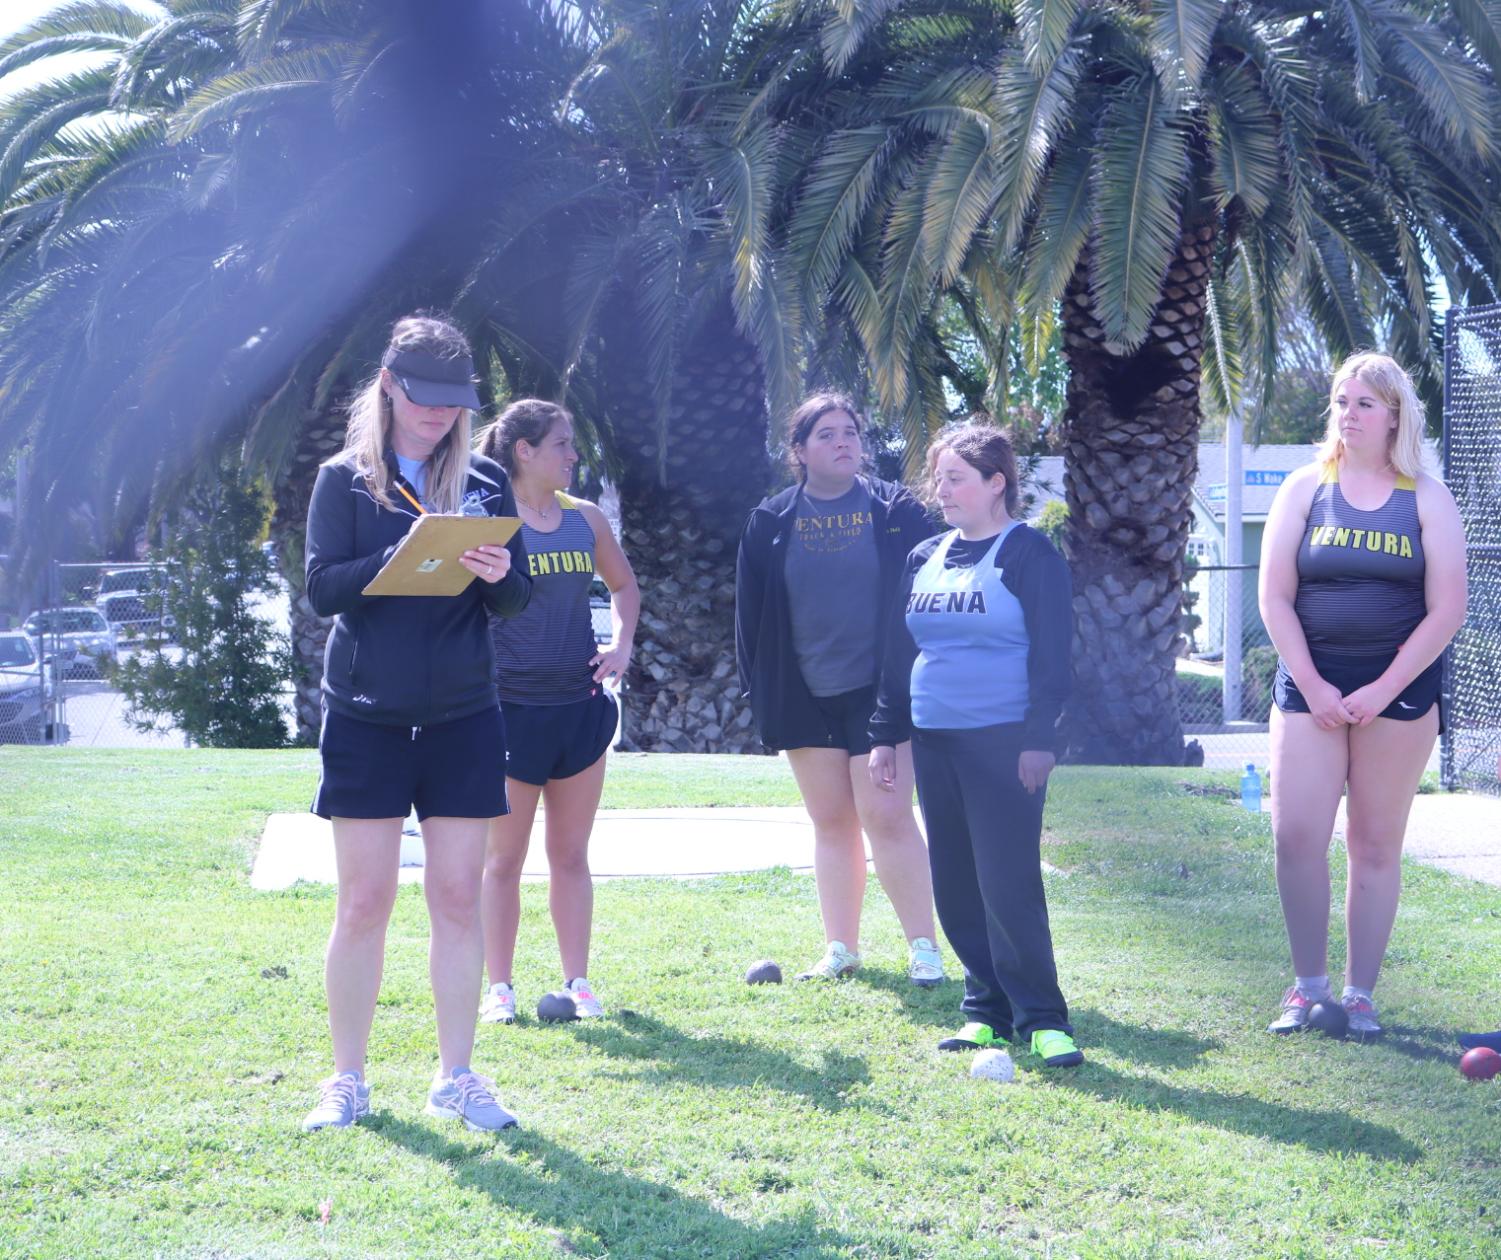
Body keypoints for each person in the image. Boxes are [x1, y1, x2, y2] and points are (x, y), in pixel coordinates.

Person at [301, 312, 531, 1132]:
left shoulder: (487, 482)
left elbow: (513, 598)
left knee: (457, 899)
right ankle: (347, 1081)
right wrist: (403, 557)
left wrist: (500, 570)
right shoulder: (344, 479)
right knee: (363, 904)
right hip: (365, 718)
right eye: (424, 399)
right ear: (390, 387)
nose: (439, 416)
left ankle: (457, 1077)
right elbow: (323, 588)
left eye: (453, 402)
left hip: (464, 717)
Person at [1259, 352, 1467, 1040]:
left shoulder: (1426, 497)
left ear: (1394, 416)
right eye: (1341, 401)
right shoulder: (1303, 487)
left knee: (1373, 845)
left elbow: (1446, 611)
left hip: (1397, 698)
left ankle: (1358, 996)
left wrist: (1380, 690)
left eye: (1363, 404)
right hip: (1308, 691)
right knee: (1294, 837)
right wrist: (1314, 686)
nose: (1347, 415)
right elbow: (1273, 597)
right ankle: (1306, 989)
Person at [868, 422, 1083, 1067]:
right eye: (939, 478)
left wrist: (1038, 740)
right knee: (956, 880)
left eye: (956, 478)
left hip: (1005, 744)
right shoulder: (924, 555)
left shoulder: (1029, 555)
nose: (943, 490)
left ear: (997, 484)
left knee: (1008, 880)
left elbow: (1054, 657)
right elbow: (898, 651)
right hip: (936, 741)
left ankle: (1043, 1019)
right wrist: (885, 734)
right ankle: (984, 1011)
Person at [736, 392, 944, 984]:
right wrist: (764, 693)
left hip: (882, 694)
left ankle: (923, 947)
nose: (842, 441)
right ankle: (841, 949)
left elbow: (924, 599)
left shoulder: (895, 509)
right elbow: (751, 619)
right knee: (830, 821)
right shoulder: (771, 519)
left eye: (849, 431)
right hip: (804, 693)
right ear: (798, 451)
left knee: (887, 816)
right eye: (826, 434)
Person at [474, 400, 639, 1023]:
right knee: (504, 860)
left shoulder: (586, 519)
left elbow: (623, 586)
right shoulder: (489, 520)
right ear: (524, 450)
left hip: (579, 711)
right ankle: (500, 989)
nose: (574, 455)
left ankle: (579, 981)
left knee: (571, 856)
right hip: (508, 713)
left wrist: (620, 643)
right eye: (563, 444)